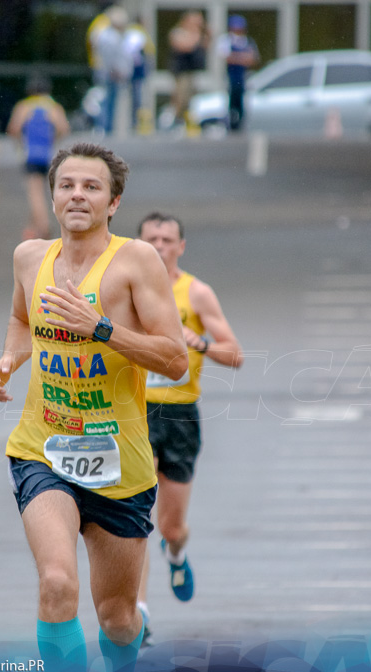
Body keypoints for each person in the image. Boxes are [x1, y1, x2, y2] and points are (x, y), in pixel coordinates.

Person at [0, 143, 188, 672]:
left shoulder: (136, 262)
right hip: (43, 449)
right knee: (57, 584)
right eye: (67, 184)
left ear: (114, 202)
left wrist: (99, 329)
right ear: (52, 195)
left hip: (119, 463)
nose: (77, 194)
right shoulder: (30, 257)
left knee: (117, 619)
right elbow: (21, 318)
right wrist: (10, 359)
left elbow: (175, 360)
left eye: (91, 186)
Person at [134, 211, 243, 642]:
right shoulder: (125, 287)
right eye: (151, 239)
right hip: (134, 412)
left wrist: (193, 340)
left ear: (181, 246)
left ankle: (176, 556)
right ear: (138, 245)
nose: (159, 246)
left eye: (167, 239)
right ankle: (139, 612)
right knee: (135, 516)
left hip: (180, 416)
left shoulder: (196, 293)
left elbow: (235, 355)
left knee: (170, 527)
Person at [7, 77, 70, 240]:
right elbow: (64, 128)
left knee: (35, 193)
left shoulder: (24, 106)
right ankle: (32, 227)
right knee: (46, 191)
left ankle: (43, 227)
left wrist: (21, 142)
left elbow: (13, 128)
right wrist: (53, 140)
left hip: (32, 154)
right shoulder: (53, 107)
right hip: (49, 155)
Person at [93, 6, 134, 135]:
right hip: (111, 73)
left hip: (110, 73)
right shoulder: (110, 37)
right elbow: (112, 58)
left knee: (108, 100)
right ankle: (105, 128)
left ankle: (106, 128)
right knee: (107, 101)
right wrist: (116, 70)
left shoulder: (108, 35)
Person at [216, 15, 260, 131]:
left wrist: (238, 58)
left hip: (243, 76)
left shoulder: (247, 41)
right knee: (231, 100)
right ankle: (231, 123)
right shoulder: (227, 40)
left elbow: (253, 59)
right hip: (231, 76)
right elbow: (226, 57)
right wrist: (242, 58)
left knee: (242, 101)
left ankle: (239, 124)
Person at [168, 11, 209, 126]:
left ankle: (187, 122)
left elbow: (206, 45)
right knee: (181, 99)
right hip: (181, 72)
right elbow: (186, 46)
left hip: (192, 71)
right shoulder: (178, 32)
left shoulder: (197, 34)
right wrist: (196, 33)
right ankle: (176, 122)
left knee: (191, 99)